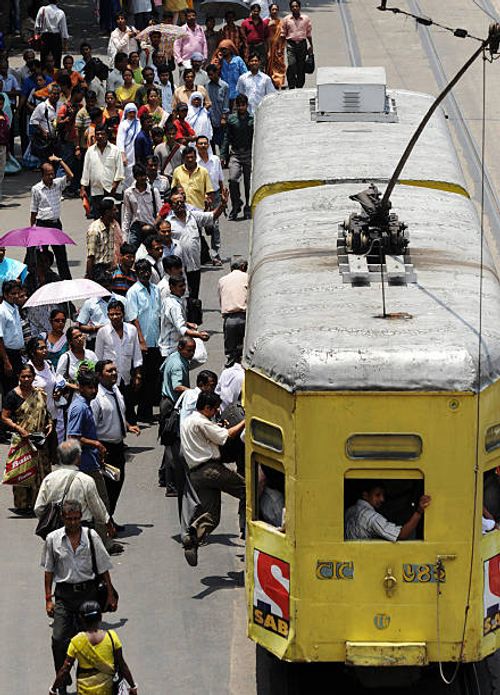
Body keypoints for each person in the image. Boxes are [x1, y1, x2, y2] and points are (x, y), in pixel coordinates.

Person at [42, 499, 117, 690]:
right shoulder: (53, 539)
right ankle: (63, 678)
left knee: (90, 640)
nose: (73, 522)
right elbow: (49, 571)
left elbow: (103, 568)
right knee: (58, 639)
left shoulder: (91, 536)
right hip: (64, 596)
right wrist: (48, 599)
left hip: (88, 595)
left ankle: (92, 682)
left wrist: (110, 594)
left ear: (81, 518)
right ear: (63, 518)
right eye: (69, 519)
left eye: (76, 518)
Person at [180, 391, 246, 566]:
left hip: (196, 473)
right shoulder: (202, 422)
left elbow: (207, 437)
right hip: (210, 470)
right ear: (207, 408)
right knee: (248, 490)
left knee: (213, 516)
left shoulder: (188, 421)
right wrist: (246, 421)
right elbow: (227, 436)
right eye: (215, 409)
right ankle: (250, 530)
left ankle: (193, 536)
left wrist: (217, 425)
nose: (217, 411)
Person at [35, 439, 114, 544]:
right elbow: (97, 510)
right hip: (82, 531)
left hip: (56, 533)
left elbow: (39, 508)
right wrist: (108, 525)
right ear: (78, 458)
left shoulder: (49, 479)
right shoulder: (86, 480)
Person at [50, 600, 137, 695]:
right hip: (108, 690)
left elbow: (65, 669)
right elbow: (122, 664)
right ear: (100, 617)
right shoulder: (112, 637)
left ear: (81, 619)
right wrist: (133, 686)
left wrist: (53, 689)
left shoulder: (76, 641)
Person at [1, 363, 53, 514]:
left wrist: (49, 424)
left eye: (29, 376)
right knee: (23, 471)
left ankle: (40, 503)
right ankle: (23, 505)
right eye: (23, 376)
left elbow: (45, 412)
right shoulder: (12, 395)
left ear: (34, 377)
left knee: (41, 472)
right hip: (22, 439)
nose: (26, 379)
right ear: (18, 377)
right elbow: (4, 417)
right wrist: (19, 429)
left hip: (39, 439)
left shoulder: (40, 394)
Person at [92, 360, 140, 521]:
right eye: (109, 371)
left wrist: (127, 426)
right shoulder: (96, 397)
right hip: (104, 447)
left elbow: (117, 412)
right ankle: (102, 522)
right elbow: (92, 424)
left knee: (117, 483)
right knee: (105, 487)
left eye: (115, 370)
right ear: (99, 375)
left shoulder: (115, 390)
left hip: (118, 446)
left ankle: (109, 518)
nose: (114, 373)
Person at [167, 186, 227, 298]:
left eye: (181, 202)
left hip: (194, 265)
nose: (180, 204)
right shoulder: (169, 223)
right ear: (171, 206)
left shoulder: (193, 216)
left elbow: (212, 216)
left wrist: (222, 204)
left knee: (194, 297)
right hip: (179, 268)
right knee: (181, 296)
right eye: (176, 203)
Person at [95, 298, 142, 424]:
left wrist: (137, 375)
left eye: (118, 314)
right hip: (108, 378)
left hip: (126, 377)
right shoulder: (103, 332)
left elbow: (136, 353)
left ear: (123, 314)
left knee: (128, 408)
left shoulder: (131, 330)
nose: (115, 317)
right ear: (108, 315)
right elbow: (98, 358)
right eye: (111, 314)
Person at [125, 259, 162, 421]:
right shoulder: (133, 292)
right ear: (137, 273)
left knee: (153, 377)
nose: (145, 274)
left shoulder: (155, 289)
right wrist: (141, 340)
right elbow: (133, 318)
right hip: (142, 342)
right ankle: (137, 412)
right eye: (142, 271)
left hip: (156, 340)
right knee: (141, 377)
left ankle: (146, 412)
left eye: (147, 270)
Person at [159, 335, 196, 493]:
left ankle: (163, 475)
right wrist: (196, 392)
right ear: (180, 348)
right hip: (171, 405)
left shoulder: (174, 357)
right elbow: (177, 386)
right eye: (189, 350)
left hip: (167, 401)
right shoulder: (178, 365)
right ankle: (171, 484)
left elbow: (161, 369)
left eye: (193, 350)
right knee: (173, 446)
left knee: (168, 441)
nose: (192, 354)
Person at [29, 154, 73, 280]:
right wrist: (33, 229)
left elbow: (71, 176)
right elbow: (33, 211)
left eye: (52, 173)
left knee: (61, 256)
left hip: (55, 225)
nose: (51, 176)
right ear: (42, 175)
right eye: (48, 174)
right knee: (41, 257)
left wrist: (60, 160)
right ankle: (41, 281)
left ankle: (66, 283)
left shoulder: (58, 184)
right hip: (42, 225)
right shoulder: (36, 189)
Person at [344, 481, 432, 541]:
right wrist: (419, 511)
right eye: (377, 495)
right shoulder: (371, 517)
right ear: (365, 495)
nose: (382, 499)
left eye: (383, 495)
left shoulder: (350, 511)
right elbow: (401, 535)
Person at [221, 93, 254, 221]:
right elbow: (226, 138)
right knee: (233, 179)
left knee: (248, 183)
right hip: (235, 154)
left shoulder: (252, 119)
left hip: (248, 153)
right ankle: (236, 204)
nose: (241, 108)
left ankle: (248, 207)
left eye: (243, 105)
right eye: (239, 105)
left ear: (246, 105)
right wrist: (223, 155)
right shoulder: (231, 120)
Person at [27, 335, 65, 444]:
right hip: (35, 417)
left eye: (45, 347)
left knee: (52, 449)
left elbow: (57, 380)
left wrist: (58, 391)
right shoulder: (27, 369)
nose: (45, 350)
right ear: (32, 352)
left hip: (52, 414)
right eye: (41, 348)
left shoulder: (49, 365)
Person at [81, 125, 124, 219]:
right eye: (98, 134)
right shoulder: (90, 151)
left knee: (114, 219)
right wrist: (83, 188)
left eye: (102, 134)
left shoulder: (115, 150)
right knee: (98, 219)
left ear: (107, 135)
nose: (100, 136)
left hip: (113, 191)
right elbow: (86, 170)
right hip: (97, 191)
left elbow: (120, 170)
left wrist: (115, 185)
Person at [159, 275, 209, 357]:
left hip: (173, 347)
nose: (183, 288)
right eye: (180, 286)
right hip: (171, 349)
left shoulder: (172, 300)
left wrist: (187, 323)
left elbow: (174, 320)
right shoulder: (173, 305)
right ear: (172, 287)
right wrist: (199, 335)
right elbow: (181, 328)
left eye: (184, 285)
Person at [196, 134, 225, 264]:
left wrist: (223, 195)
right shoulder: (194, 162)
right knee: (198, 225)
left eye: (205, 143)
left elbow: (220, 179)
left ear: (208, 145)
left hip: (216, 195)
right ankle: (201, 255)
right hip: (200, 197)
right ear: (196, 146)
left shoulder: (215, 160)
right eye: (200, 143)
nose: (203, 146)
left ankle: (215, 254)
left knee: (215, 225)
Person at [122, 163, 162, 249]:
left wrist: (154, 225)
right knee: (132, 251)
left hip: (151, 227)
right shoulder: (128, 193)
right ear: (135, 177)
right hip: (136, 227)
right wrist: (124, 236)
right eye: (140, 176)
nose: (143, 178)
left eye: (144, 175)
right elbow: (127, 214)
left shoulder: (153, 191)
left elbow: (160, 212)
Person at [218, 257, 248, 358]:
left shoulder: (222, 280)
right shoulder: (247, 277)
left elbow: (221, 300)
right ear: (243, 267)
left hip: (229, 319)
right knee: (245, 351)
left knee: (230, 353)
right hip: (244, 317)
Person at [281, 0, 313, 89]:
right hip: (291, 44)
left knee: (301, 66)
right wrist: (281, 47)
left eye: (296, 6)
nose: (295, 8)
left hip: (302, 44)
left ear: (299, 7)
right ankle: (291, 83)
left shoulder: (305, 19)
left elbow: (309, 33)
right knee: (292, 64)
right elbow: (283, 34)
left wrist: (311, 46)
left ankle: (300, 85)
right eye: (293, 6)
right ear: (290, 8)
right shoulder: (286, 19)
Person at [85, 198, 121, 277]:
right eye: (114, 210)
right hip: (99, 270)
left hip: (110, 269)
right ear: (107, 212)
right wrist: (89, 277)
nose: (117, 211)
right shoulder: (94, 230)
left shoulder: (112, 226)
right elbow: (90, 257)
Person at [0, 280, 25, 394]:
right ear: (5, 295)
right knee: (9, 389)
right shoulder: (2, 311)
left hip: (17, 354)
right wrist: (6, 362)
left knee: (18, 386)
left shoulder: (15, 308)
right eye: (12, 294)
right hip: (7, 355)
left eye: (17, 293)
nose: (16, 296)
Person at [171, 145, 213, 211]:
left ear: (196, 157)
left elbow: (209, 191)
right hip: (182, 210)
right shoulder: (177, 171)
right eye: (187, 157)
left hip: (199, 209)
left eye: (192, 157)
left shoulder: (203, 171)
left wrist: (208, 201)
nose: (190, 160)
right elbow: (173, 191)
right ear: (183, 158)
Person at [34, 0, 69, 68]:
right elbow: (64, 30)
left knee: (44, 58)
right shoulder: (60, 12)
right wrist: (65, 43)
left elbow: (37, 26)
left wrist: (36, 36)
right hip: (56, 37)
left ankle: (44, 74)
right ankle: (55, 75)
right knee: (56, 58)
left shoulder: (42, 9)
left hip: (45, 36)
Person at [116, 102, 141, 188]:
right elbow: (120, 140)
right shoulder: (123, 125)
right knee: (127, 173)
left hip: (137, 151)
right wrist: (123, 155)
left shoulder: (139, 123)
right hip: (127, 152)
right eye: (130, 112)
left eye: (133, 112)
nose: (132, 114)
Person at [206, 64, 230, 151]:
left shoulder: (225, 86)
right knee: (211, 142)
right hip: (210, 119)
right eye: (209, 75)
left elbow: (226, 103)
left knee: (222, 142)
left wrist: (224, 117)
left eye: (212, 74)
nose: (210, 77)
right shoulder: (207, 86)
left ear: (217, 73)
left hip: (220, 119)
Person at [217, 40, 247, 107]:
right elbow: (215, 74)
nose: (223, 51)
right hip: (224, 94)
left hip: (237, 93)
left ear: (230, 49)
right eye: (221, 49)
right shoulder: (221, 60)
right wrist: (219, 61)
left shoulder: (238, 60)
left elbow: (245, 75)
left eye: (225, 49)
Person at [241, 3, 270, 68]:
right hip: (250, 47)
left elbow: (267, 38)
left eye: (257, 11)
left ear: (259, 12)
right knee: (249, 64)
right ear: (251, 11)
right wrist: (246, 48)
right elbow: (243, 37)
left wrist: (268, 50)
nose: (256, 13)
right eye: (254, 11)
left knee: (261, 64)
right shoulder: (245, 23)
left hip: (260, 47)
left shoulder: (263, 24)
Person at [267, 3, 286, 88]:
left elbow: (283, 36)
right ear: (269, 11)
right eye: (273, 9)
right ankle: (270, 83)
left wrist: (281, 48)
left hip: (279, 48)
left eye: (276, 10)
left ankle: (279, 83)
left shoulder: (281, 22)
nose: (274, 11)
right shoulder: (266, 22)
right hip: (269, 47)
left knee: (279, 66)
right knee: (269, 65)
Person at [0, 94, 10, 202]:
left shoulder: (5, 116)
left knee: (1, 174)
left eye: (2, 104)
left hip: (3, 147)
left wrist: (8, 150)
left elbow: (7, 134)